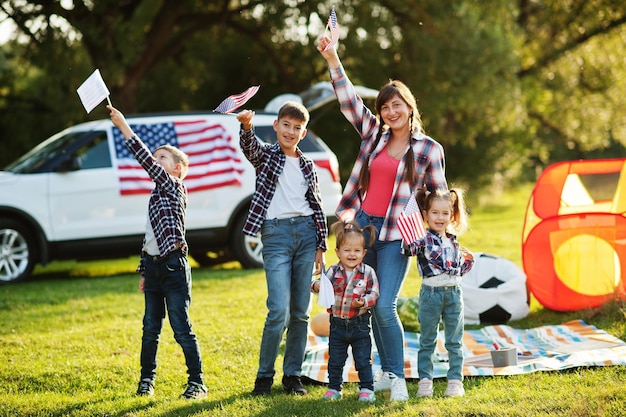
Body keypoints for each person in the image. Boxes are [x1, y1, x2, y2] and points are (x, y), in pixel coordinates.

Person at [317, 36, 448, 401]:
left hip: (397, 235)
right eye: (385, 107)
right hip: (362, 229)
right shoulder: (374, 133)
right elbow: (348, 101)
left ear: (409, 107)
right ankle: (382, 373)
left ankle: (396, 375)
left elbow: (439, 197)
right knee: (366, 304)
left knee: (385, 303)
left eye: (397, 105)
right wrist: (332, 57)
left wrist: (440, 241)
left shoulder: (428, 149)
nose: (391, 112)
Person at [107, 105, 208, 400]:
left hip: (174, 267)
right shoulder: (156, 194)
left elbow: (144, 159)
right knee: (150, 328)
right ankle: (146, 381)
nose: (156, 159)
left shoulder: (174, 186)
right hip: (154, 269)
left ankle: (197, 382)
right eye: (157, 155)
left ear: (177, 168)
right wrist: (144, 269)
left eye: (162, 157)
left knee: (181, 328)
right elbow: (150, 236)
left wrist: (123, 124)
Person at [237, 101, 328, 396]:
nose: (290, 131)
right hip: (275, 235)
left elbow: (317, 206)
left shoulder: (307, 165)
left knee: (300, 313)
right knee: (278, 310)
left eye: (297, 128)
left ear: (304, 133)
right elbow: (249, 147)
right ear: (275, 126)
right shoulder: (266, 156)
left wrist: (321, 246)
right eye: (286, 125)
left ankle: (292, 375)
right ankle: (264, 376)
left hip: (306, 235)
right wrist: (247, 126)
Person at [407, 188, 474, 398]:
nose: (440, 217)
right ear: (425, 215)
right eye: (435, 212)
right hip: (430, 295)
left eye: (445, 213)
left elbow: (460, 266)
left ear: (451, 215)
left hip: (454, 294)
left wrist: (465, 262)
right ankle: (425, 381)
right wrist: (411, 234)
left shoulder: (453, 240)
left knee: (454, 340)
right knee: (428, 340)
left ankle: (455, 381)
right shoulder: (423, 238)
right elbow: (407, 249)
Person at [311, 220, 379, 402]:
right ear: (338, 252)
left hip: (360, 325)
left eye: (357, 251)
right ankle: (334, 388)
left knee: (363, 359)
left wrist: (364, 301)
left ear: (364, 253)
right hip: (337, 324)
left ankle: (366, 388)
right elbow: (318, 284)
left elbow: (374, 293)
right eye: (347, 250)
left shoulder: (368, 272)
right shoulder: (333, 271)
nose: (352, 254)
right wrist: (317, 285)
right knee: (335, 359)